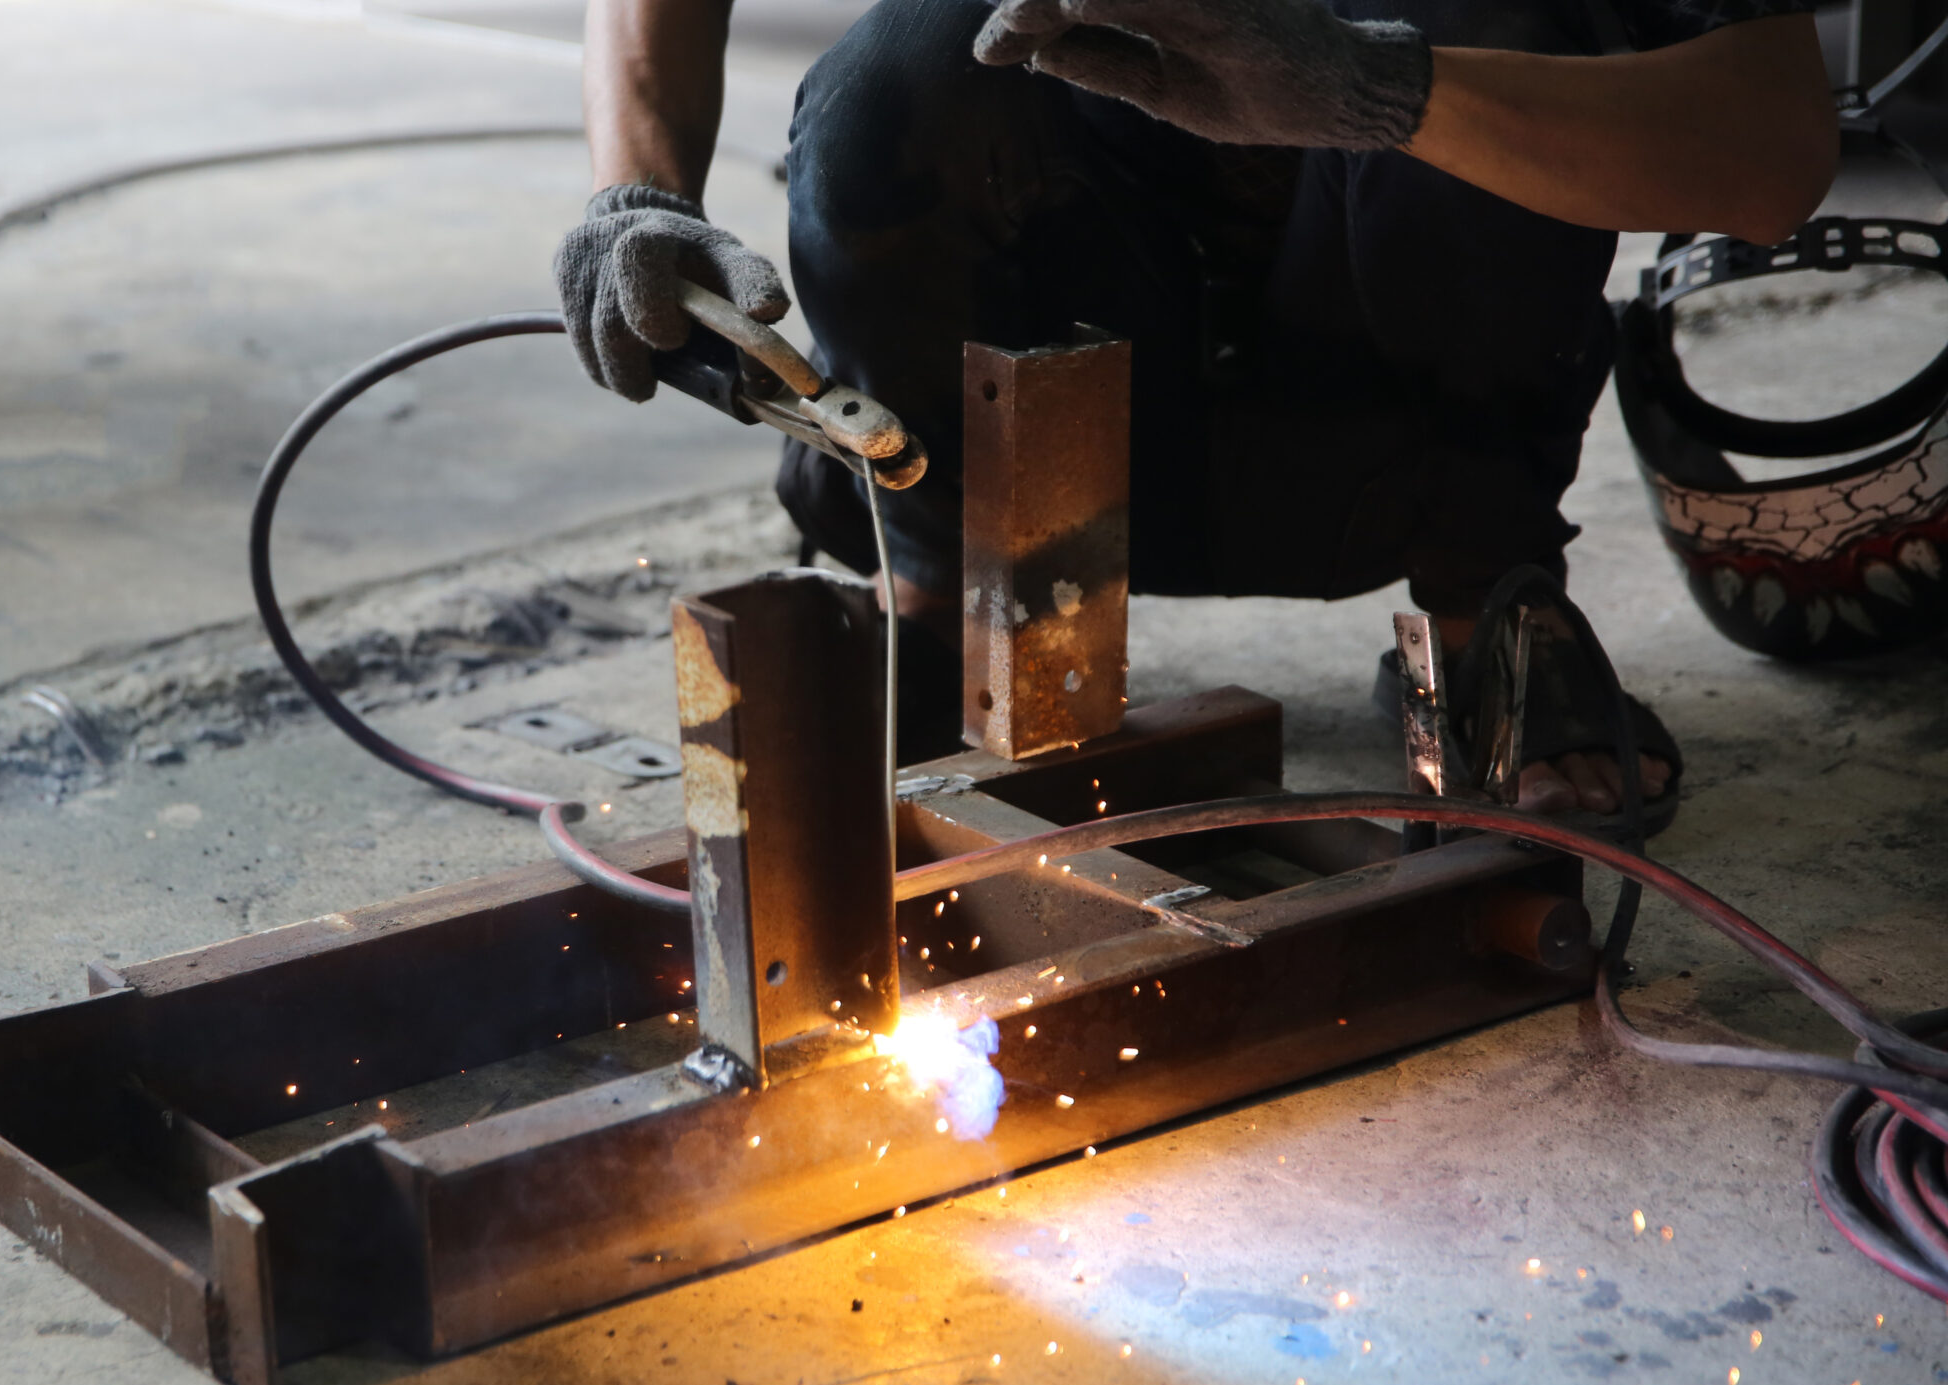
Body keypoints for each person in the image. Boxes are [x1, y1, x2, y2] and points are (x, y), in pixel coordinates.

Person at [554, 0, 1840, 825]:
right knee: (899, 78)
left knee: (1509, 33)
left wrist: (1374, 91)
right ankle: (953, 619)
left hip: (1403, 395)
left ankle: (1484, 618)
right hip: (1068, 348)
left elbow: (1771, 153)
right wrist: (634, 197)